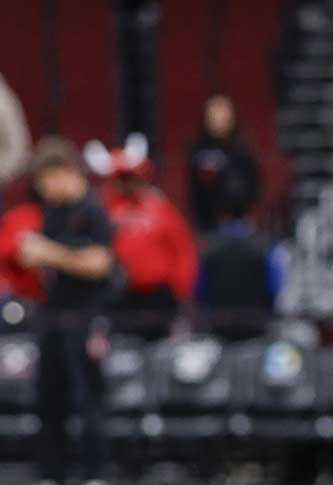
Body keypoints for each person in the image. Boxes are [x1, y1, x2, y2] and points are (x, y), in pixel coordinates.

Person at [16, 137, 116, 485]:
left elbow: (99, 263)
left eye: (47, 179)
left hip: (85, 319)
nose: (44, 189)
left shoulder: (91, 210)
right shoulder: (51, 212)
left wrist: (48, 253)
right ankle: (52, 482)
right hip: (52, 318)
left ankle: (95, 481)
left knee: (88, 401)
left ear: (65, 173)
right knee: (48, 403)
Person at [92, 135, 196, 340]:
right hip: (120, 296)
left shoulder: (159, 207)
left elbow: (182, 249)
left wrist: (181, 290)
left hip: (159, 297)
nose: (124, 183)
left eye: (129, 177)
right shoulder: (103, 210)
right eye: (119, 178)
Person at [194, 202, 284, 342]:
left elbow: (199, 290)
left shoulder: (208, 247)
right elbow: (274, 288)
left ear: (221, 213)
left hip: (218, 326)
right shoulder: (265, 246)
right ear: (252, 213)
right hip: (255, 326)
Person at [187, 95, 260, 232]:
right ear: (206, 118)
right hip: (207, 226)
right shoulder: (198, 152)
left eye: (223, 115)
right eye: (214, 116)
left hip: (239, 225)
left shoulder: (243, 152)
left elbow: (254, 188)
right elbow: (194, 193)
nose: (219, 120)